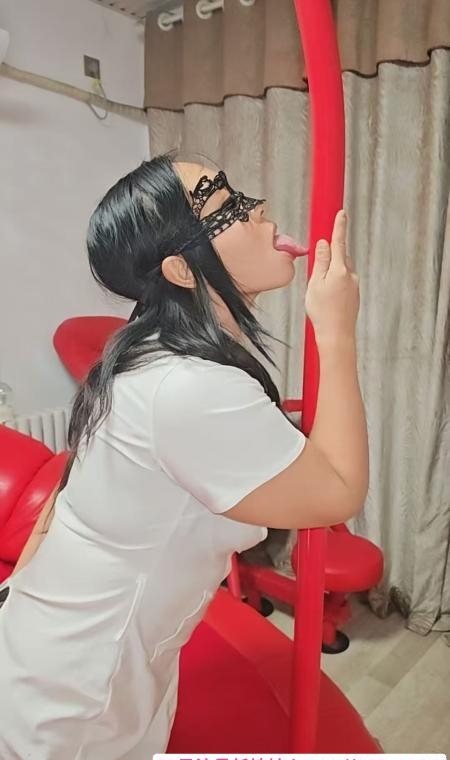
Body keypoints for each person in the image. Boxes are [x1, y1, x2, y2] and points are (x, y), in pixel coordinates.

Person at [0, 155, 368, 759]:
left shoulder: (143, 352)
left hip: (52, 647)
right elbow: (339, 491)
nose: (257, 208)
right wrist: (338, 333)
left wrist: (17, 590)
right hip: (74, 695)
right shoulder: (188, 386)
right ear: (179, 267)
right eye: (225, 205)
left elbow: (65, 492)